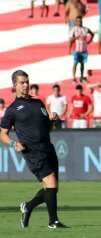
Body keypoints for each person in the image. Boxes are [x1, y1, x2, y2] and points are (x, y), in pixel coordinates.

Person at [0, 70, 67, 228]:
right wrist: (13, 143)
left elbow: (47, 129)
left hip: (47, 147)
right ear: (14, 85)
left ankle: (28, 206)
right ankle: (53, 222)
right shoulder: (12, 110)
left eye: (27, 82)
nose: (25, 85)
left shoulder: (38, 103)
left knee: (53, 188)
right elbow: (3, 134)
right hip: (31, 150)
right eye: (22, 82)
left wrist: (52, 119)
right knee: (50, 182)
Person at [69, 16, 94, 83]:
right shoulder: (74, 29)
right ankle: (74, 78)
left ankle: (82, 77)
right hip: (76, 49)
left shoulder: (85, 29)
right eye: (78, 21)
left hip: (84, 49)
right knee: (75, 63)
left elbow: (92, 34)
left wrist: (89, 41)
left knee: (82, 64)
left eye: (80, 21)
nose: (79, 22)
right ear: (76, 22)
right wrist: (77, 37)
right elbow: (70, 39)